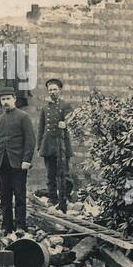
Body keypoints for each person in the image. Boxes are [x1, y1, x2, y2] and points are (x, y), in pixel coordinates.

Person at [0, 87, 35, 235]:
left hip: (18, 164)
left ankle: (20, 226)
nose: (5, 102)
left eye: (8, 99)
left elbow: (30, 140)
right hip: (2, 164)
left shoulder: (23, 117)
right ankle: (6, 226)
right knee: (4, 197)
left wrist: (26, 160)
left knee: (19, 195)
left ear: (14, 99)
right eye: (3, 99)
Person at [37, 77, 74, 211]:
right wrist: (39, 146)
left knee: (65, 173)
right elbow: (40, 128)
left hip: (62, 144)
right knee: (50, 174)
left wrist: (66, 123)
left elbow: (71, 117)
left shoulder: (65, 105)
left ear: (59, 90)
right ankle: (52, 198)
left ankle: (67, 196)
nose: (52, 92)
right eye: (50, 90)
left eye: (55, 89)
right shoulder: (44, 108)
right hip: (48, 145)